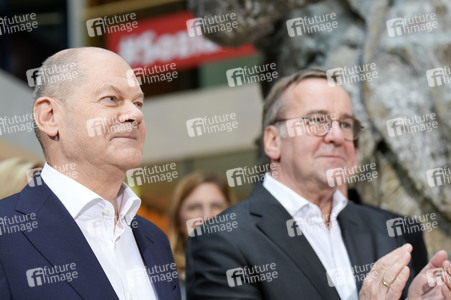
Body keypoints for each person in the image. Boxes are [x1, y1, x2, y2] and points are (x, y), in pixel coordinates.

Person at [185, 69, 451, 299]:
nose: (336, 136)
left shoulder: (394, 231)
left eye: (346, 124)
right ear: (273, 141)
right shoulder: (221, 241)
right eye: (317, 120)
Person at [0, 47, 181, 299]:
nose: (135, 114)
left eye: (138, 102)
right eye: (111, 98)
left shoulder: (155, 240)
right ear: (50, 116)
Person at [168, 171, 234, 299]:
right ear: (178, 221)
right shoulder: (163, 280)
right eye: (194, 207)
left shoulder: (252, 270)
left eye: (217, 206)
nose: (207, 217)